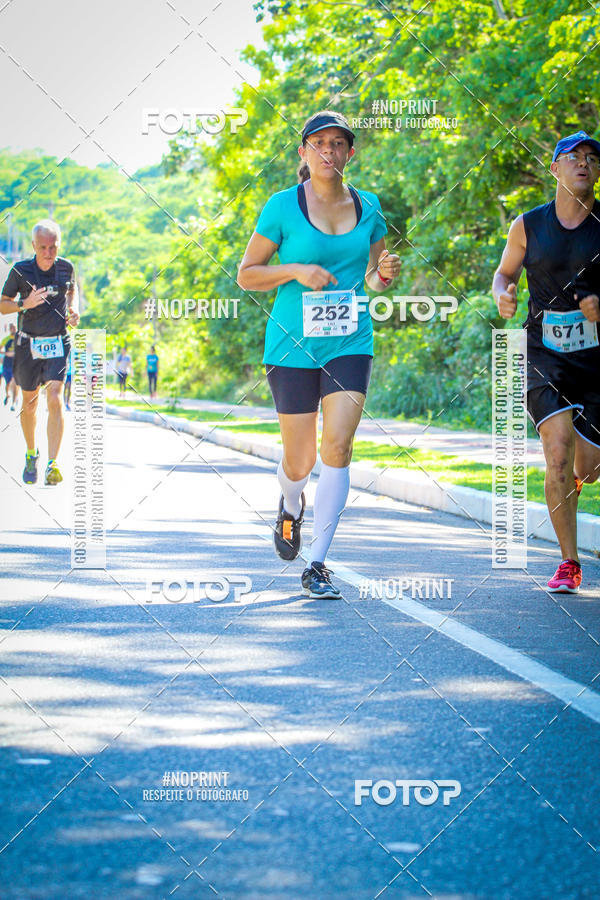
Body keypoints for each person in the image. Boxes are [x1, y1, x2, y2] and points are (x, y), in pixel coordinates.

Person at [238, 110, 400, 599]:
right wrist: (295, 270)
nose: (329, 151)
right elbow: (247, 274)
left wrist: (383, 275)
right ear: (304, 151)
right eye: (319, 143)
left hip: (350, 342)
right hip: (291, 345)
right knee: (301, 460)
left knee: (338, 448)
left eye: (338, 143)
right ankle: (291, 506)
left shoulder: (369, 206)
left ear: (350, 152)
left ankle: (318, 564)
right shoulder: (282, 206)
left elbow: (372, 278)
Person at [492, 130, 600, 593]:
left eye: (592, 158)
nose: (584, 163)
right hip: (543, 355)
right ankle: (569, 562)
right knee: (557, 454)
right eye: (573, 157)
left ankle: (576, 478)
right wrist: (503, 294)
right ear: (555, 168)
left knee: (587, 469)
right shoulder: (527, 225)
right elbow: (504, 274)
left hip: (596, 360)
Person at [0, 220, 79, 485]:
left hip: (58, 340)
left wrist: (74, 309)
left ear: (59, 245)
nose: (48, 252)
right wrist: (25, 303)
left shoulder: (66, 267)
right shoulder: (20, 271)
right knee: (30, 403)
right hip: (28, 344)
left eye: (53, 247)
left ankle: (52, 464)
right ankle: (31, 453)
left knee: (55, 397)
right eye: (43, 247)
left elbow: (72, 290)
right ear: (34, 245)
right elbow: (3, 305)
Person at [1, 322, 18, 410]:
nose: (13, 329)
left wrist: (15, 353)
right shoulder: (6, 339)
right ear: (9, 329)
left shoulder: (19, 338)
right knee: (8, 384)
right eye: (11, 328)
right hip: (6, 364)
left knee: (14, 383)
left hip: (16, 365)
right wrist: (6, 353)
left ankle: (14, 403)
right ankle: (7, 395)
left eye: (14, 328)